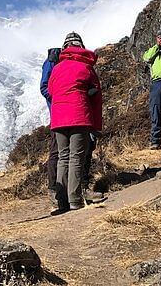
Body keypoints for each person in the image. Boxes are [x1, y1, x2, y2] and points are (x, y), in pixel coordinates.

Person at [48, 32, 103, 213]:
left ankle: (62, 200)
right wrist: (96, 126)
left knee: (63, 158)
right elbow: (97, 96)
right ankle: (75, 200)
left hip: (58, 119)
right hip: (79, 116)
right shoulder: (86, 67)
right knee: (76, 158)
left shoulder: (56, 68)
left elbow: (51, 90)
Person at [39, 48, 61, 206]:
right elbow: (44, 87)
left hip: (71, 113)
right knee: (56, 152)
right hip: (58, 114)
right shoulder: (53, 60)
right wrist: (59, 99)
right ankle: (53, 189)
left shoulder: (66, 60)